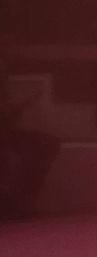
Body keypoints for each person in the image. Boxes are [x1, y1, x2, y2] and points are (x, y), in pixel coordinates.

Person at [0, 57, 61, 220]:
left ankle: (21, 196)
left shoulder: (3, 77)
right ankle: (12, 200)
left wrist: (13, 112)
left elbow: (8, 121)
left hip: (5, 134)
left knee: (47, 143)